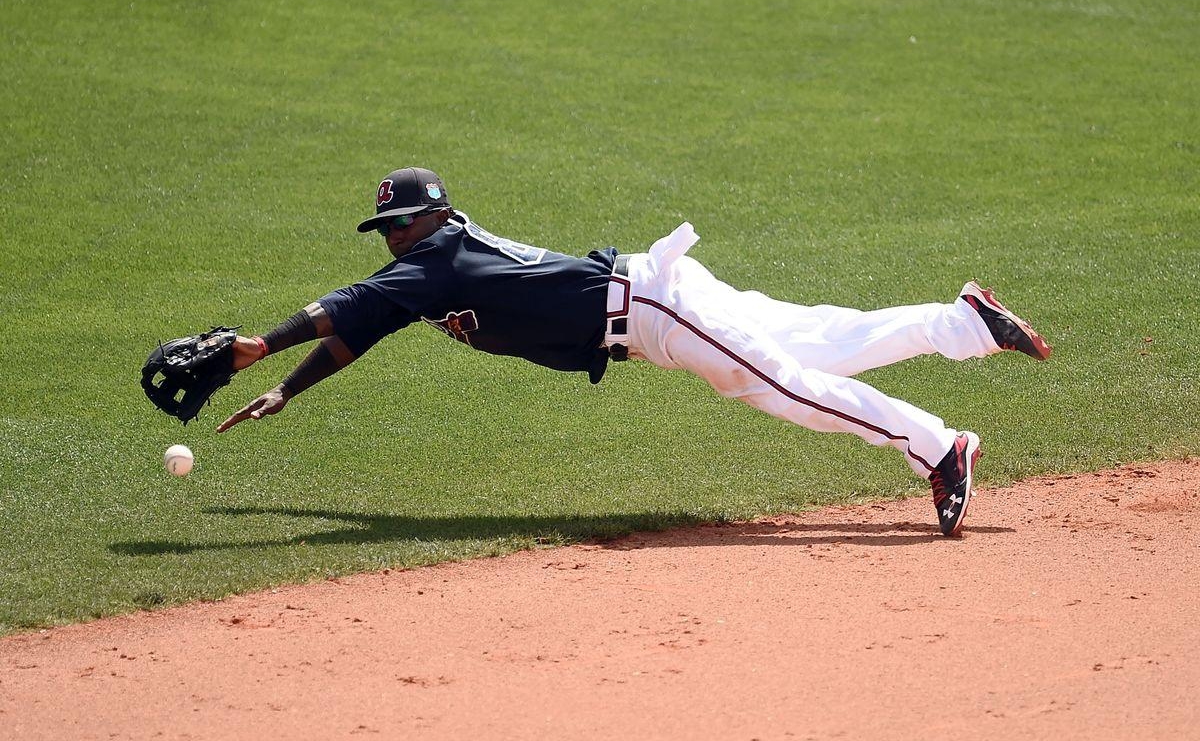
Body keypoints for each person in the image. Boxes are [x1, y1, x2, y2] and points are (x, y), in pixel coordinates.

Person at [218, 166, 1052, 536]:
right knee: (819, 343)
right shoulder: (429, 269)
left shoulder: (438, 258)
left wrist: (256, 348)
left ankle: (942, 449)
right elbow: (359, 327)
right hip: (658, 289)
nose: (390, 238)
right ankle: (966, 322)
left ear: (432, 216)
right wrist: (290, 388)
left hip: (651, 309)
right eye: (383, 229)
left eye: (397, 223)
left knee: (788, 387)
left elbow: (346, 306)